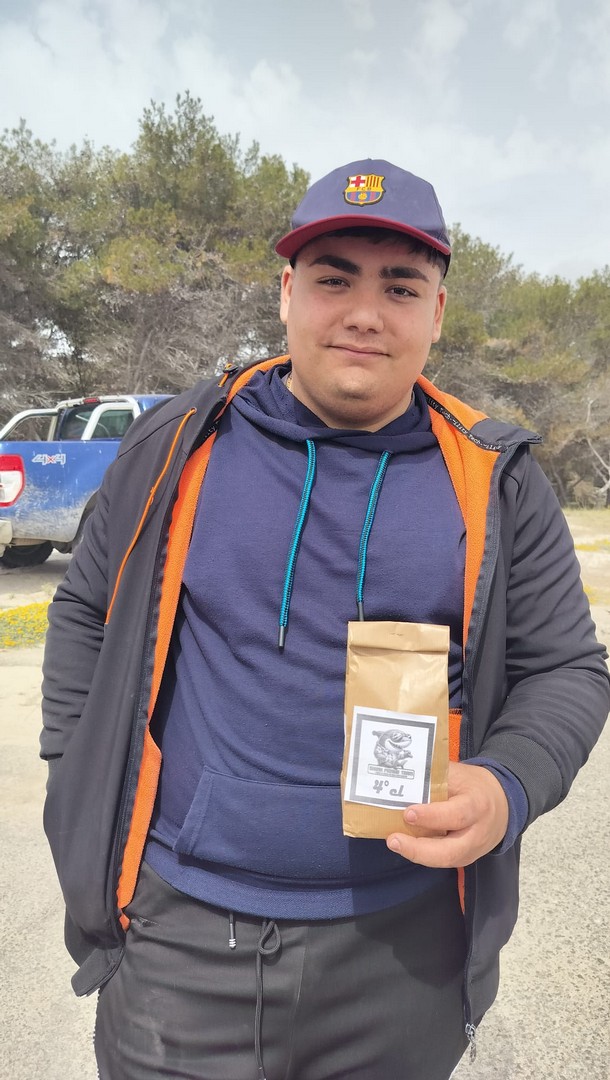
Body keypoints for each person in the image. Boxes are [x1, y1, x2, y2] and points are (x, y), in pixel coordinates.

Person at [41, 159, 610, 1080]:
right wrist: (74, 766)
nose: (364, 313)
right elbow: (83, 607)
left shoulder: (497, 480)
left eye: (401, 286)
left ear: (438, 312)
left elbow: (567, 669)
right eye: (333, 279)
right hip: (177, 941)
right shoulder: (178, 445)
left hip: (403, 956)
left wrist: (508, 783)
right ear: (286, 293)